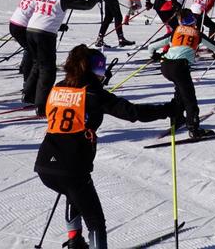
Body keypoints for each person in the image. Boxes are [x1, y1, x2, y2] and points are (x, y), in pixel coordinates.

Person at [35, 44, 175, 249]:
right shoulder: (93, 95)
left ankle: (75, 240)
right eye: (101, 71)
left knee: (73, 195)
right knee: (95, 222)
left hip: (46, 163)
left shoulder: (59, 86)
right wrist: (167, 109)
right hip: (72, 167)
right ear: (94, 72)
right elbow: (132, 113)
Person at [25, 0, 103, 111]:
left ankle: (28, 95)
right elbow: (86, 5)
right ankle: (41, 105)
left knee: (37, 64)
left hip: (30, 31)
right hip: (45, 34)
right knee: (47, 70)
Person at [148, 9, 215, 138]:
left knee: (180, 91)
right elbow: (214, 47)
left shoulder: (175, 31)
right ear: (193, 20)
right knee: (189, 98)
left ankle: (177, 118)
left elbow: (151, 46)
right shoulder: (197, 33)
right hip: (180, 67)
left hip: (166, 65)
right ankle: (193, 128)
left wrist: (154, 55)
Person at [9, 0, 48, 82]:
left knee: (30, 49)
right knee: (32, 51)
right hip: (21, 25)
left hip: (15, 22)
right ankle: (28, 80)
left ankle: (26, 72)